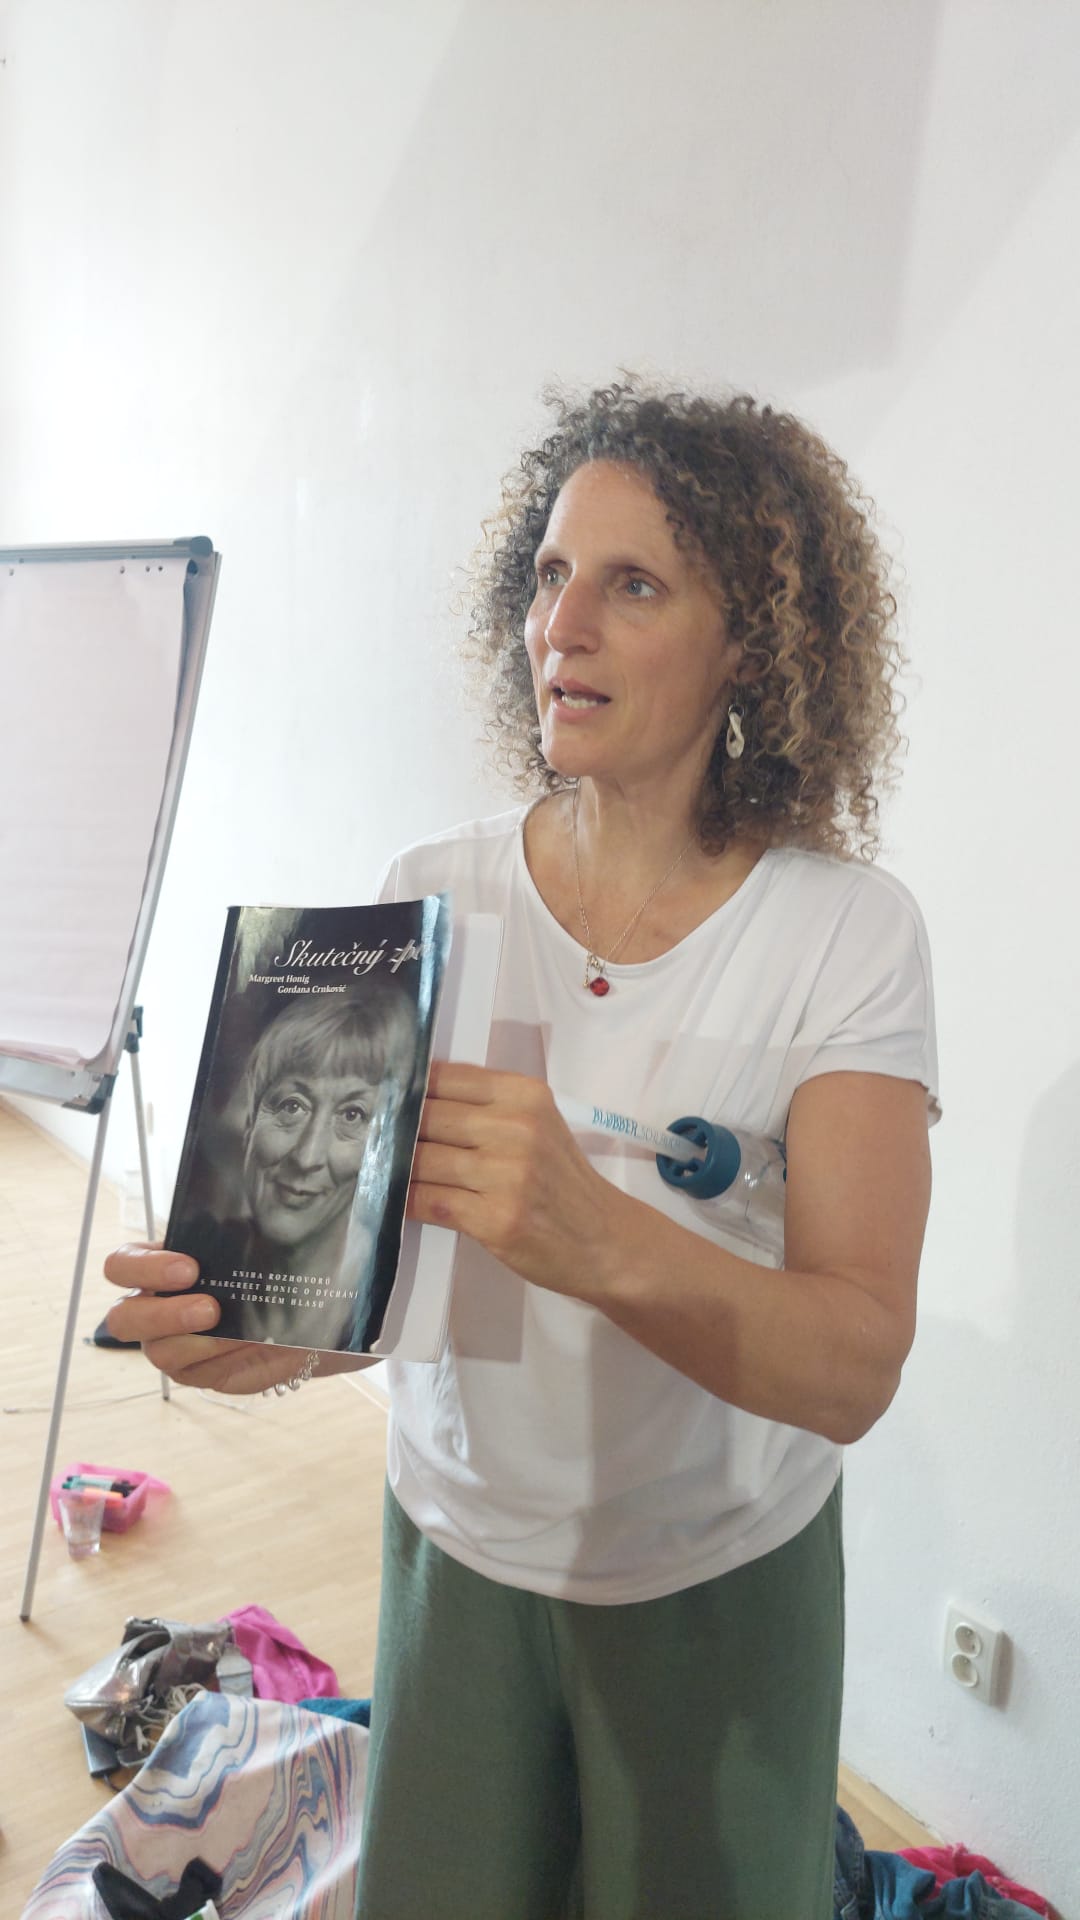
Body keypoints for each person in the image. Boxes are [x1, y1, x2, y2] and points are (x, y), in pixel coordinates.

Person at [105, 380, 937, 1919]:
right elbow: (396, 1285)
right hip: (459, 1556)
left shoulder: (845, 936)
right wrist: (266, 1335)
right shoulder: (435, 891)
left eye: (635, 585)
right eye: (551, 576)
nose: (563, 625)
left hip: (721, 1583)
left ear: (751, 645)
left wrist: (596, 1233)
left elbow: (853, 1367)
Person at [172, 988, 419, 1352]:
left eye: (353, 1115)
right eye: (292, 1106)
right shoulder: (197, 1256)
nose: (307, 1157)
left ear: (381, 1148)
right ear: (250, 1122)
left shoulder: (394, 1293)